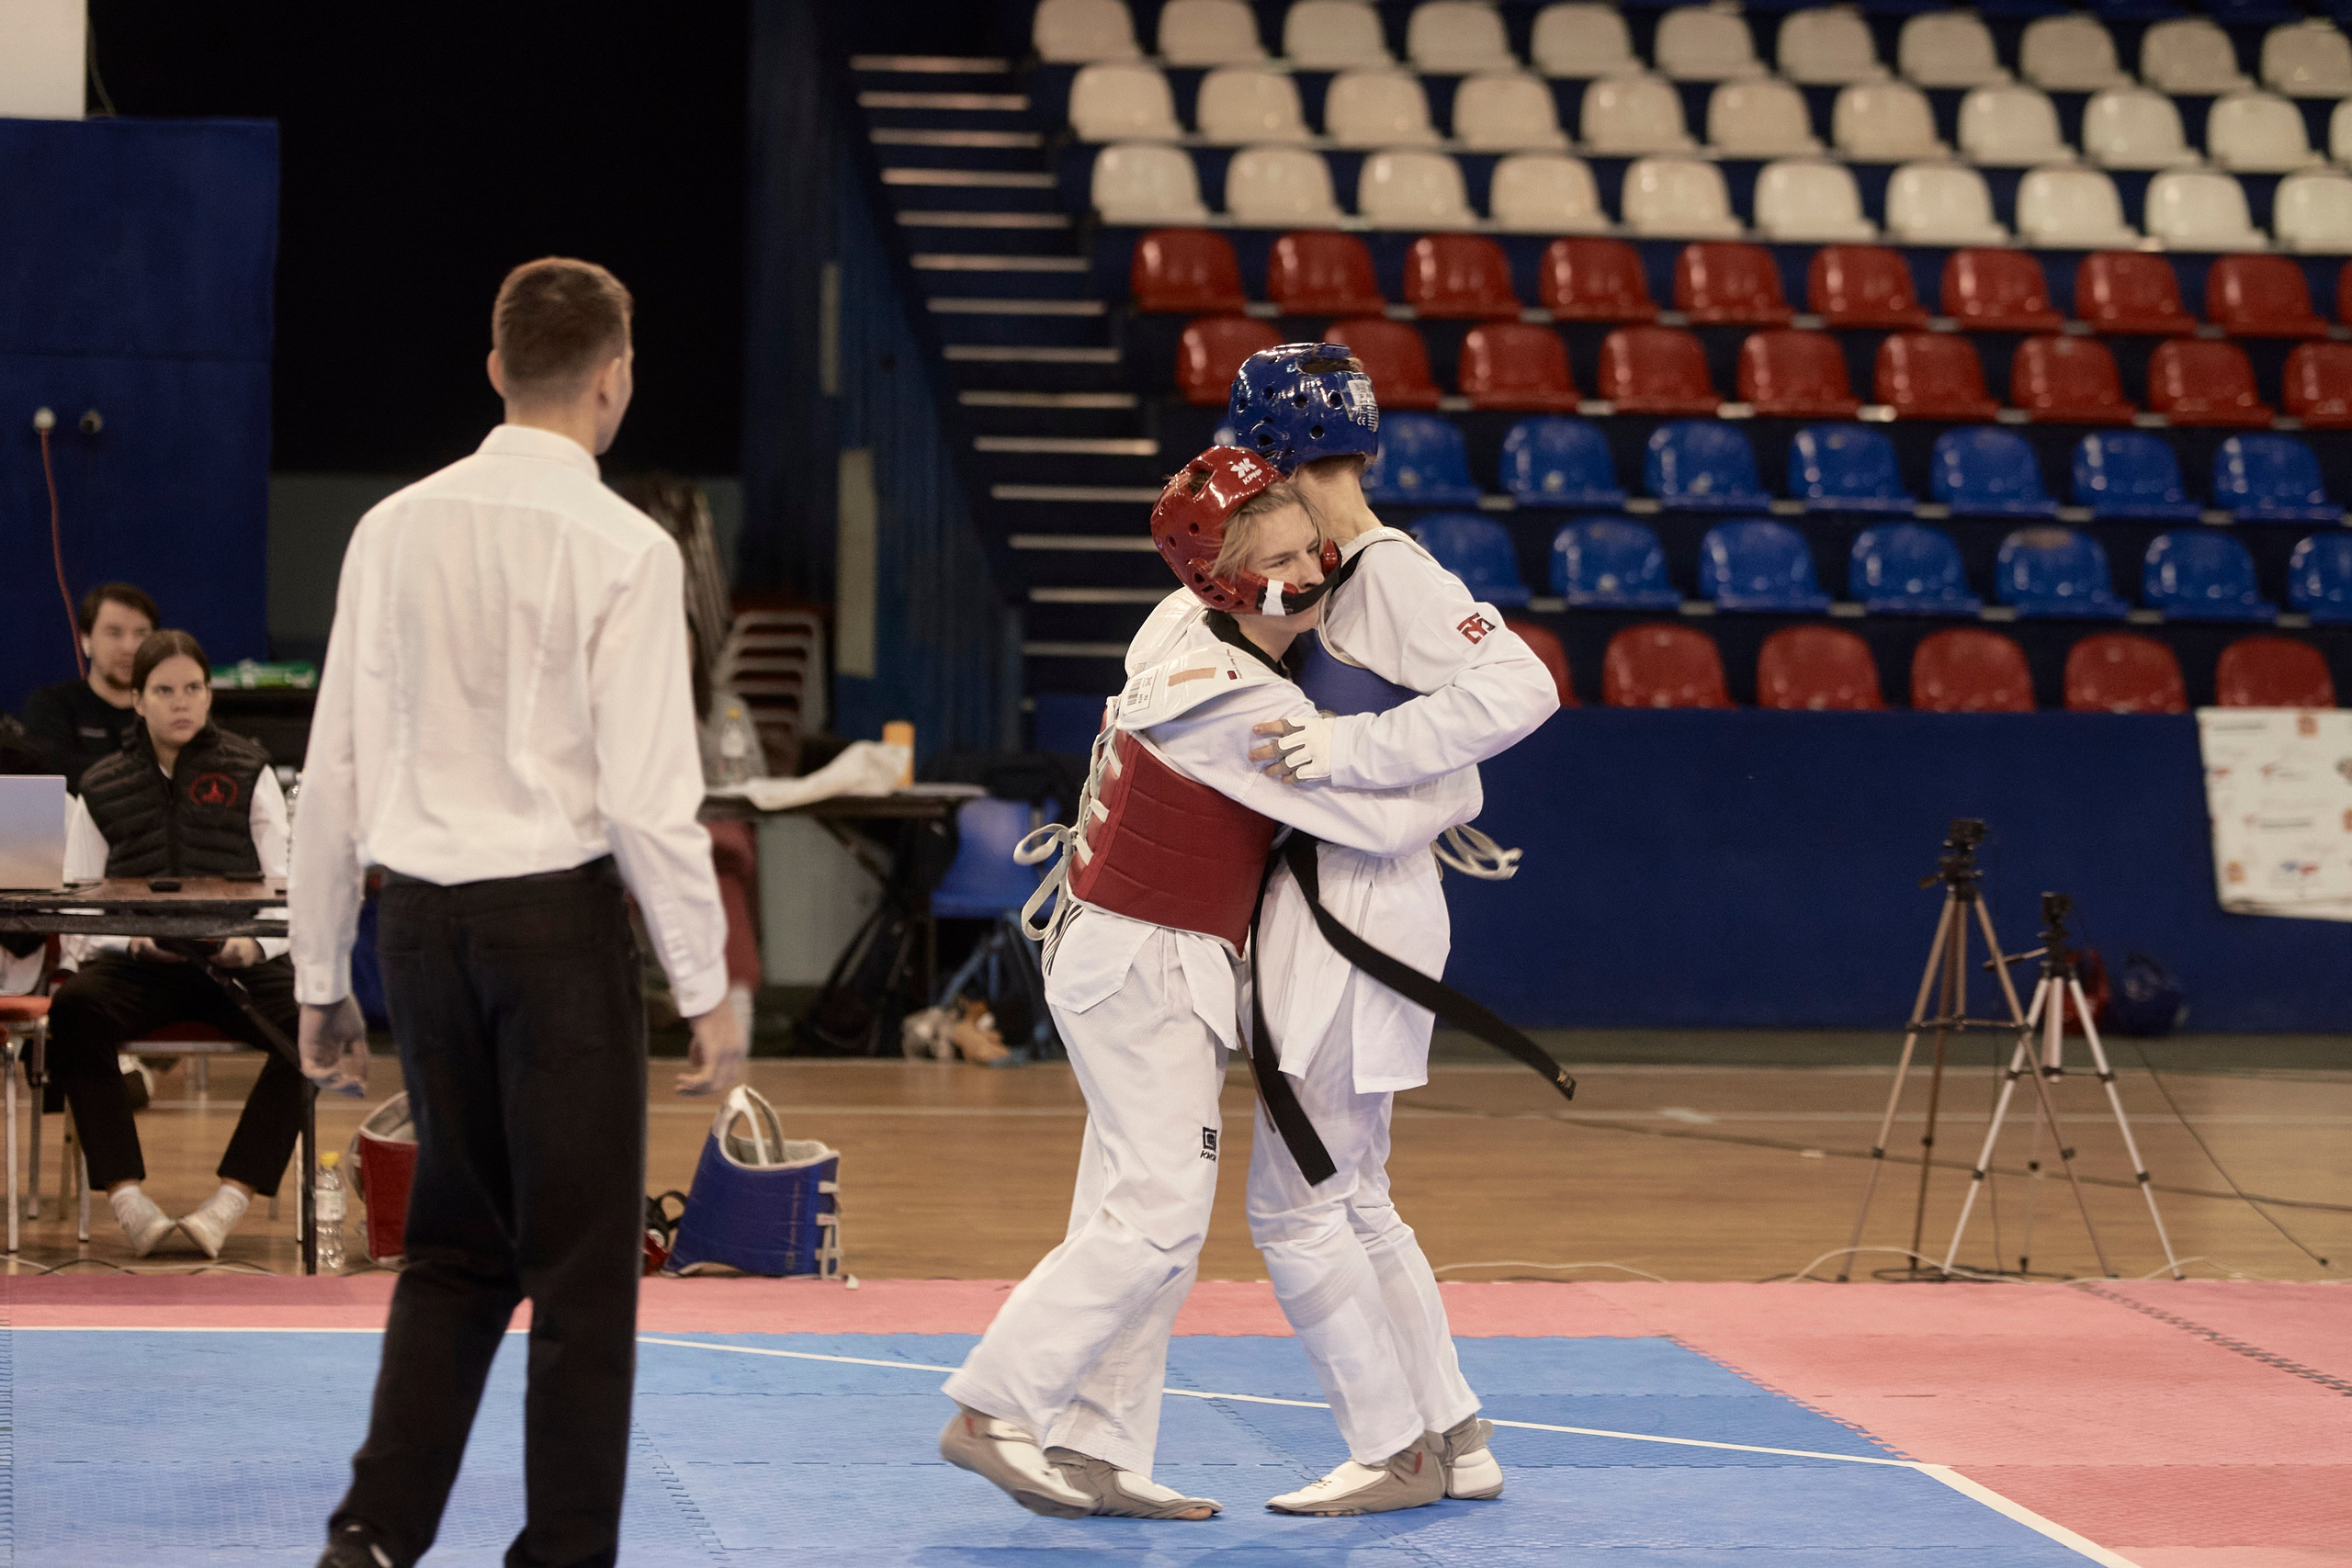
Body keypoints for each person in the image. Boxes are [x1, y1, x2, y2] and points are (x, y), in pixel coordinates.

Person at [289, 256, 744, 1568]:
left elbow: (336, 771)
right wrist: (706, 985)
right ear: (616, 379)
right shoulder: (624, 546)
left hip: (419, 929)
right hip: (554, 928)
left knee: (454, 1248)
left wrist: (321, 975)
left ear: (495, 367)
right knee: (585, 1278)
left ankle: (370, 1537)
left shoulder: (392, 526)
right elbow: (657, 799)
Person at [936, 446, 1479, 1521]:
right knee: (1156, 1216)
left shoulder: (1181, 628)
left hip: (1133, 950)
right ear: (1223, 580)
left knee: (1128, 1204)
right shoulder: (1231, 703)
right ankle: (996, 1407)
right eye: (1274, 557)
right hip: (1144, 960)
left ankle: (1095, 1448)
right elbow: (1386, 811)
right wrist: (1454, 772)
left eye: (1305, 546)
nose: (1309, 571)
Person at [1225, 344, 1560, 1515]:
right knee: (1354, 1189)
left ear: (1264, 452)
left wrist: (1359, 752)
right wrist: (1412, 775)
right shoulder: (1331, 576)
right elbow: (1453, 770)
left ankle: (1392, 1450)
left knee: (1294, 1199)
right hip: (1357, 900)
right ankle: (1455, 1434)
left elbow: (1521, 691)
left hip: (1352, 913)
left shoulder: (1385, 574)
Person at [41, 628, 306, 1258]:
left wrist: (250, 946)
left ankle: (228, 1205)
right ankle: (130, 1203)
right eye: (164, 690)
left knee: (313, 1019)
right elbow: (79, 906)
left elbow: (289, 891)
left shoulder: (250, 770)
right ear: (137, 700)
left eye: (193, 688)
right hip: (140, 966)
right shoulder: (101, 784)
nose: (181, 702)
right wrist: (129, 942)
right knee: (75, 1008)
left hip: (233, 963)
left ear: (209, 694)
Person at [22, 582, 159, 792]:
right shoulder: (52, 706)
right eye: (114, 633)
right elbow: (49, 771)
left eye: (141, 634)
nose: (129, 647)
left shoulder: (168, 710)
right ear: (85, 640)